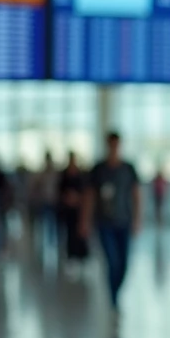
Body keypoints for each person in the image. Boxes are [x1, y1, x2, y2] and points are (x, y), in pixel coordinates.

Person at [80, 132, 141, 310]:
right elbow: (89, 197)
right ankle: (113, 298)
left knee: (123, 263)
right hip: (104, 222)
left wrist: (137, 219)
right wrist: (84, 221)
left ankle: (117, 290)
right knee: (112, 261)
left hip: (124, 222)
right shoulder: (98, 170)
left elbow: (137, 195)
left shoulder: (128, 169)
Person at [57, 152, 87, 267]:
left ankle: (81, 256)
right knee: (70, 233)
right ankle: (71, 255)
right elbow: (60, 190)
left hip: (79, 209)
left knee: (80, 232)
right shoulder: (64, 175)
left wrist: (77, 198)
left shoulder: (80, 175)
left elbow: (85, 192)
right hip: (68, 210)